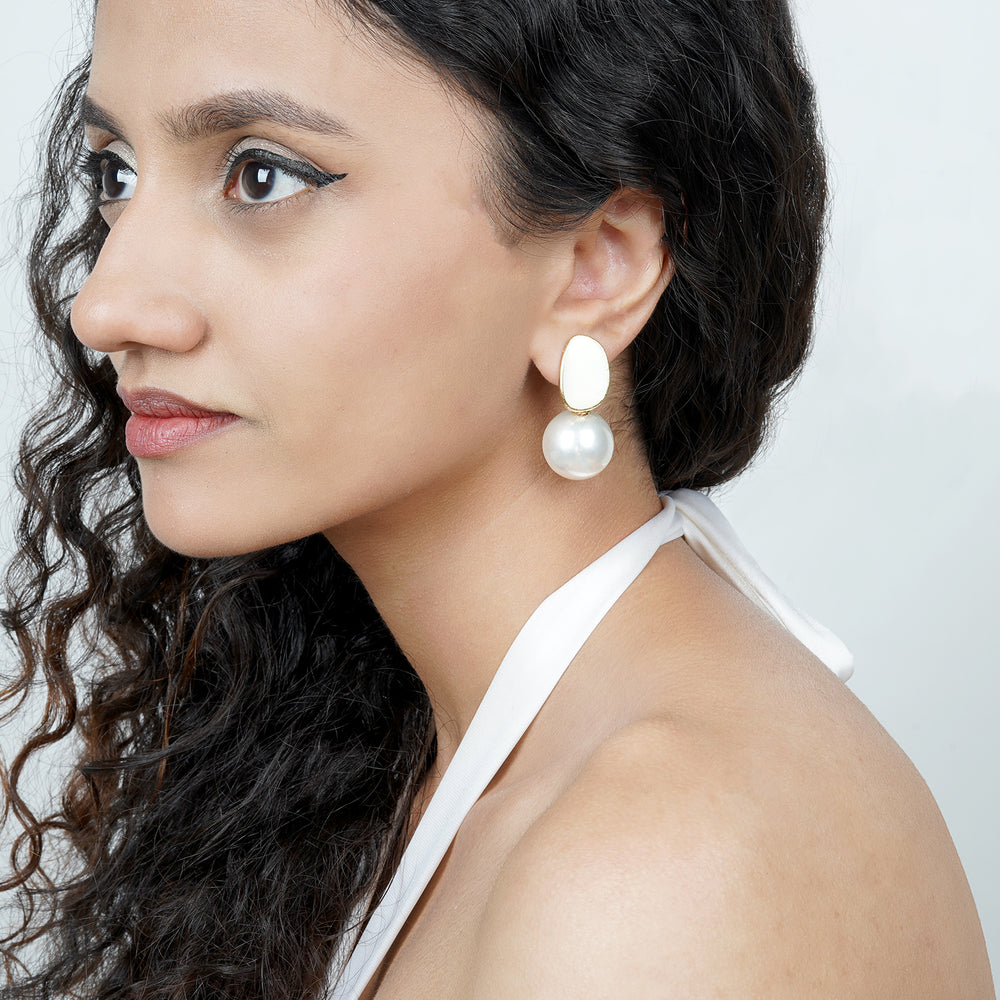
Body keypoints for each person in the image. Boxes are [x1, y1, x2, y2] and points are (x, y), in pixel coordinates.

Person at [0, 0, 994, 997]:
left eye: (262, 175)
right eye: (115, 174)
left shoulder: (656, 867)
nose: (105, 305)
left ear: (598, 266)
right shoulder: (400, 744)